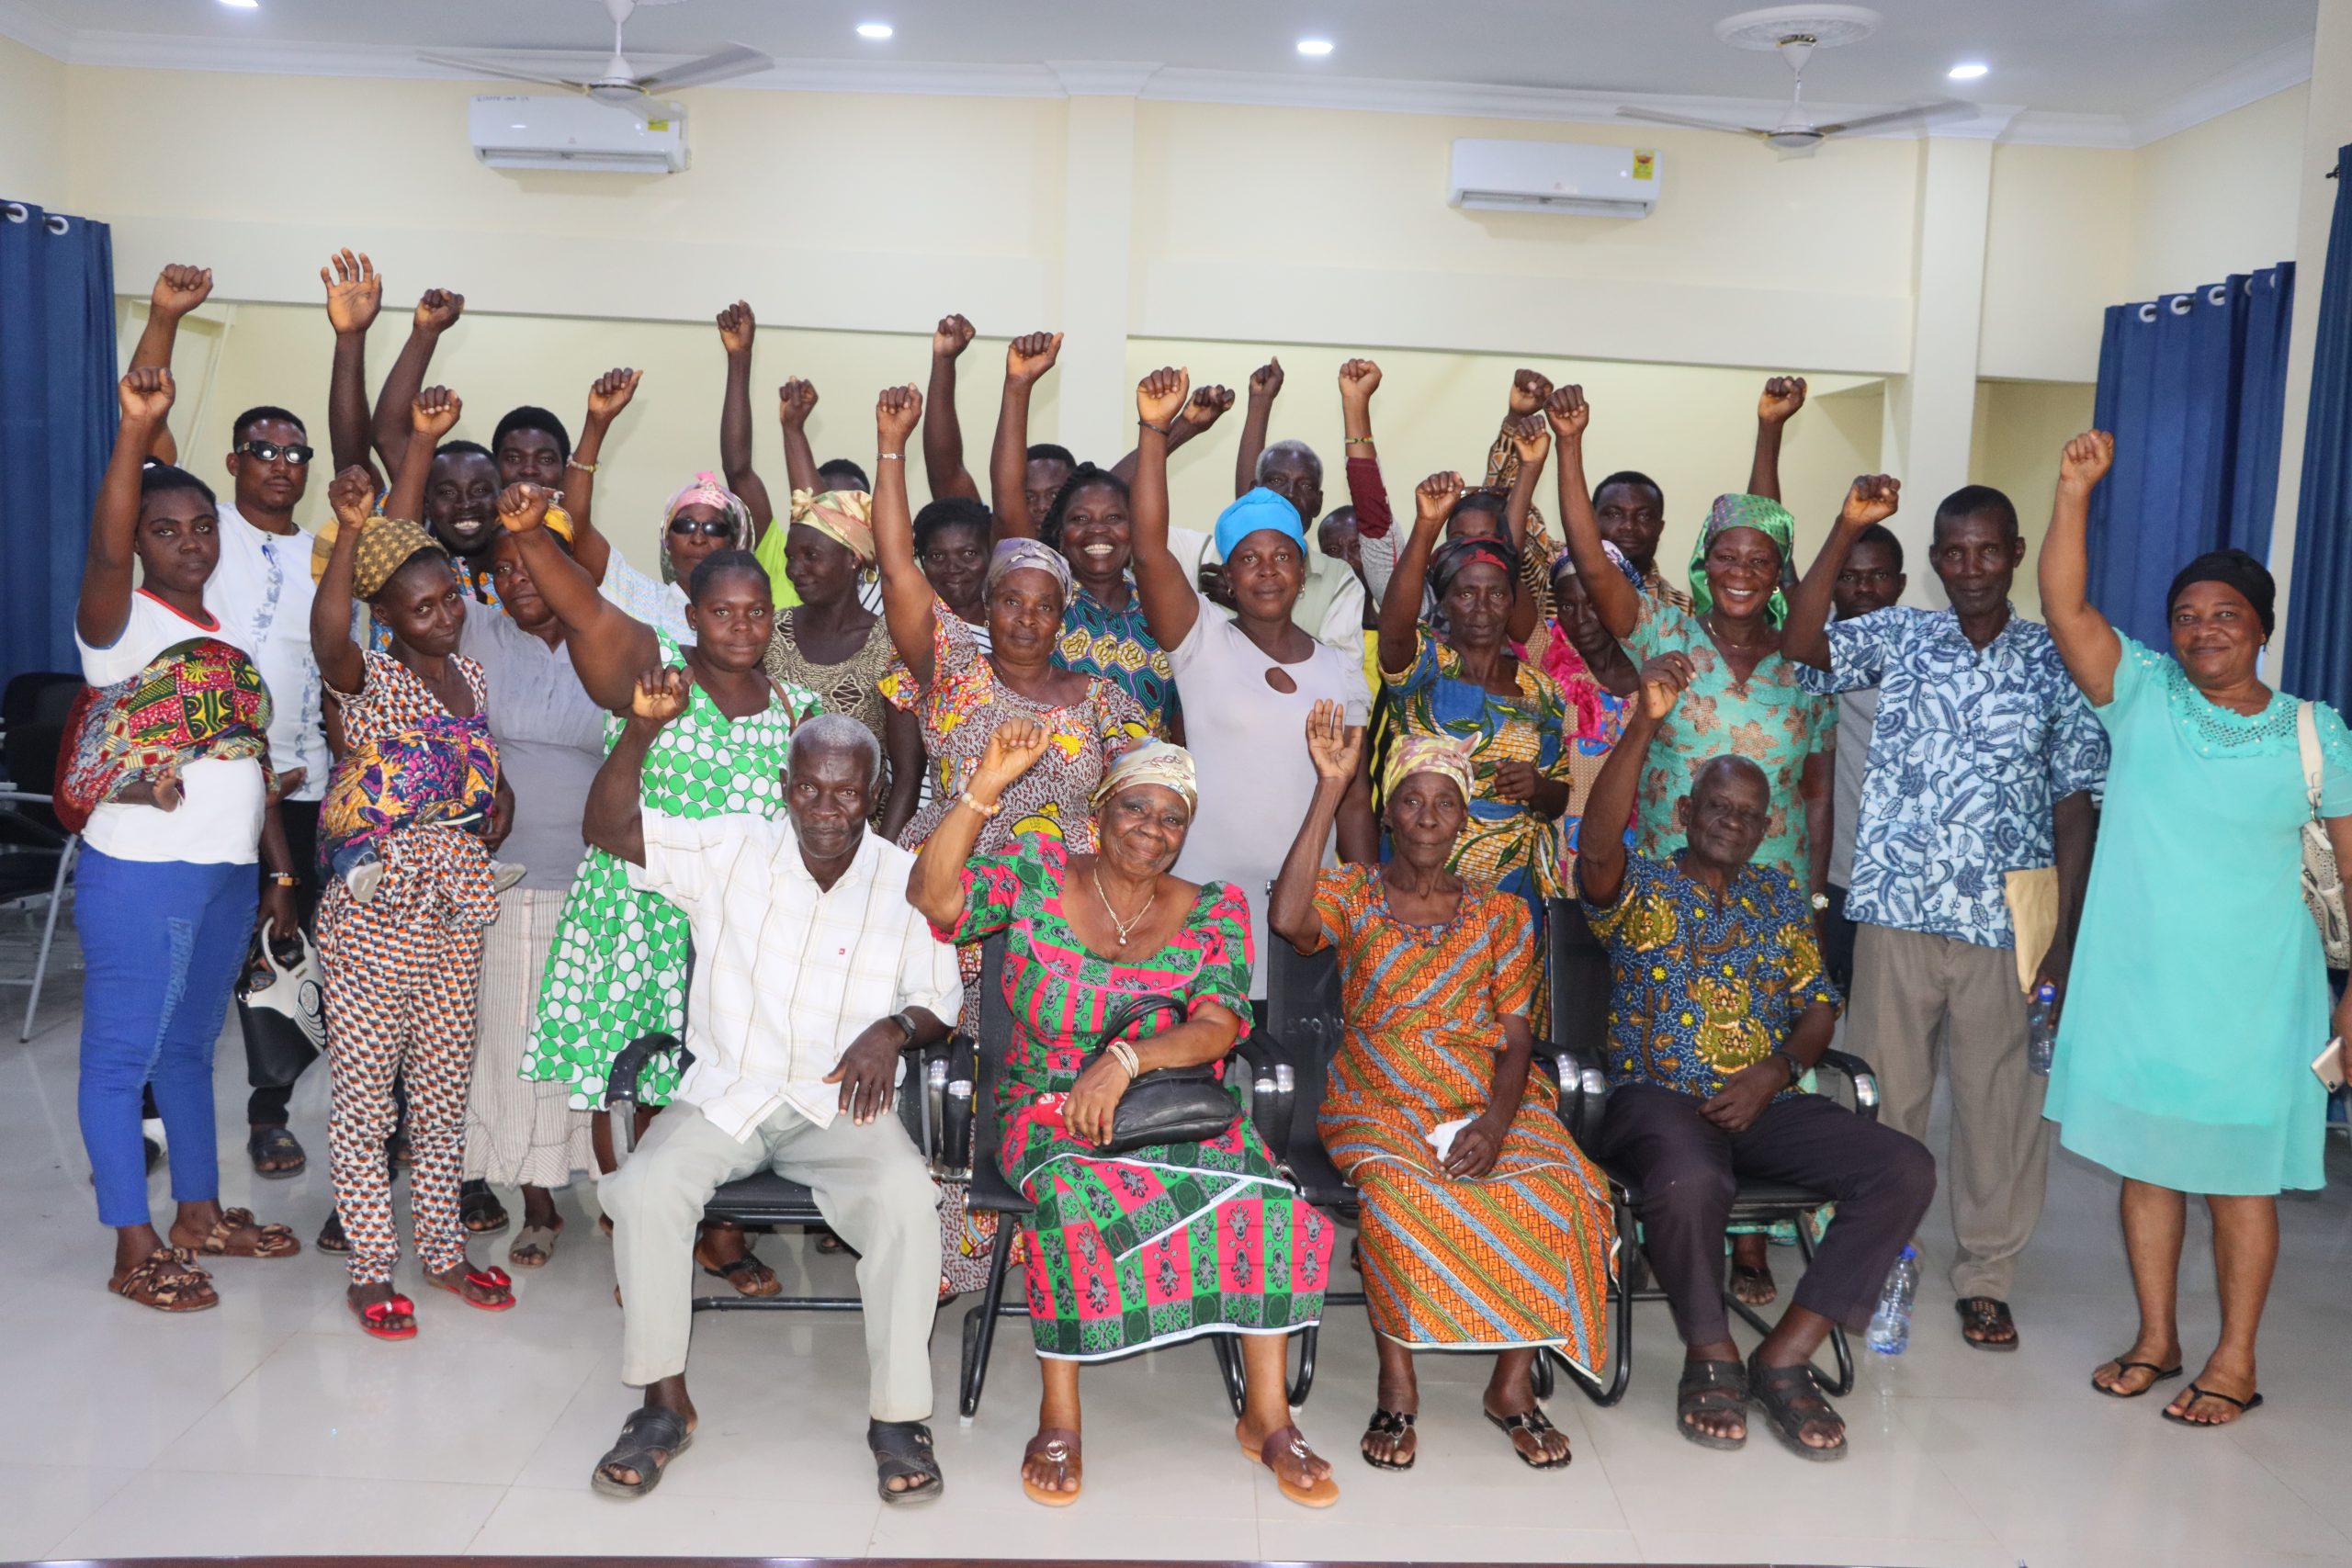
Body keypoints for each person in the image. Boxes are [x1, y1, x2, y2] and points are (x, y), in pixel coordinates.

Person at [908, 721, 1340, 1509]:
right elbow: (934, 897)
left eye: (1172, 817)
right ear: (1099, 813)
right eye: (1135, 809)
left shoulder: (1214, 908)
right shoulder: (1038, 874)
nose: (1153, 829)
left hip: (1174, 1101)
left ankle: (1269, 1418)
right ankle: (1060, 1417)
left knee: (1267, 1201)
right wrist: (986, 786)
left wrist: (1127, 1059)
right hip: (1044, 1103)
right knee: (1075, 1198)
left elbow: (1216, 1026)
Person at [2038, 430, 2352, 1427]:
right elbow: (2063, 605)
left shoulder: (2316, 729)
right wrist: (2073, 491)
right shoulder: (2142, 695)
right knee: (2148, 1165)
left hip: (2260, 995)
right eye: (2185, 616)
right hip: (2142, 988)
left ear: (2260, 627)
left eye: (2224, 615)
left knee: (2239, 1183)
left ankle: (2236, 1359)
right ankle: (2156, 1337)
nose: (2202, 630)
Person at [587, 686, 960, 1502]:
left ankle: (898, 1417)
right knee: (646, 1190)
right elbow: (608, 828)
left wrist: (895, 1028)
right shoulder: (730, 849)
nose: (829, 809)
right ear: (786, 784)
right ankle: (663, 1402)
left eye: (849, 792)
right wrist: (643, 730)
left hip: (841, 1104)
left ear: (874, 790)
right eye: (811, 788)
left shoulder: (906, 879)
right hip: (731, 1089)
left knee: (906, 1199)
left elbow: (943, 998)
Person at [1577, 651, 1936, 1460]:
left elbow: (1816, 1003)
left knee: (1905, 1167)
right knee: (1690, 1175)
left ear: (1768, 826)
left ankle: (1785, 1355)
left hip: (1764, 1097)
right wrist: (1645, 724)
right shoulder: (1641, 885)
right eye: (1717, 807)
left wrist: (1775, 1070)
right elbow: (1596, 848)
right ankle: (1711, 1352)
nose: (1731, 822)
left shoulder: (1778, 896)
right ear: (1684, 807)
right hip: (1656, 1100)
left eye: (1748, 813)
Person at [1784, 483, 2106, 1354]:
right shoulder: (1901, 635)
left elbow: (2077, 805)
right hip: (1896, 905)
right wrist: (1847, 524)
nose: (1971, 568)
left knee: (2001, 1108)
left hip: (2013, 921)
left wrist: (2064, 942)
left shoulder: (2056, 660)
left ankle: (1987, 1276)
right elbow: (1800, 638)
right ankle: (1878, 1254)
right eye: (1954, 552)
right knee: (1885, 1097)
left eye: (1989, 551)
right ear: (1932, 560)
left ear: (2017, 551)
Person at [1270, 709, 1614, 1473]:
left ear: (1464, 816)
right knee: (1397, 1194)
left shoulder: (1501, 913)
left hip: (1487, 1094)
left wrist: (1495, 1123)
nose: (1428, 817)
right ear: (1389, 810)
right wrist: (1330, 789)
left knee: (1560, 1188)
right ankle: (1399, 1387)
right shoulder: (1354, 892)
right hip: (1375, 1098)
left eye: (1445, 802)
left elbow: (1518, 1037)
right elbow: (1288, 917)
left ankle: (1512, 1389)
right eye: (1412, 800)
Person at [503, 479, 821, 1293]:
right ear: (691, 617)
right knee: (632, 1086)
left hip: (732, 935)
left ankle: (714, 1235)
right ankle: (646, 1238)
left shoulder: (797, 705)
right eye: (723, 612)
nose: (742, 625)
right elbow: (583, 612)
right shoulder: (655, 674)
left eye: (757, 611)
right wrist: (535, 536)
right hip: (636, 915)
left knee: (716, 1093)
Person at [69, 367, 303, 1313]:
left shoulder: (222, 636)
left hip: (219, 876)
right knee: (123, 1056)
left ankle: (200, 1214)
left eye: (201, 527)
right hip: (141, 873)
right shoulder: (118, 624)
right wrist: (136, 432)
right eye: (163, 530)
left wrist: (276, 869)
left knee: (191, 1046)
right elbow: (103, 545)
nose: (189, 544)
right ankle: (133, 1243)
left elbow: (249, 763)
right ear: (135, 540)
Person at [311, 453, 519, 1339]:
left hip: (454, 909)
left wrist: (495, 799)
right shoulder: (368, 682)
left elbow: (472, 772)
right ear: (385, 616)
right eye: (422, 606)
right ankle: (368, 1267)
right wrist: (351, 532)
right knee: (366, 1097)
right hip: (375, 909)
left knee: (440, 1090)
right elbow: (326, 640)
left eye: (450, 599)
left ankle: (438, 1250)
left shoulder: (469, 680)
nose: (443, 616)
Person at [1126, 367, 1378, 1003]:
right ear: (1229, 575)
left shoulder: (1341, 669)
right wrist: (1155, 431)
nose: (1267, 572)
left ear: (1303, 569)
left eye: (1282, 557)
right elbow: (1150, 549)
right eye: (1249, 559)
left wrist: (1369, 909)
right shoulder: (1201, 639)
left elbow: (1352, 802)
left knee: (1290, 1083)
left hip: (1302, 917)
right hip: (1199, 905)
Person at [1548, 386, 1838, 892]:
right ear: (1705, 564)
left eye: (1759, 562)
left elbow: (1817, 796)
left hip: (1776, 897)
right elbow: (1594, 568)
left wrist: (1813, 904)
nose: (1740, 573)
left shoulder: (1806, 662)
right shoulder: (1663, 632)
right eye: (1726, 558)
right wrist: (1569, 446)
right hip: (1670, 892)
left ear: (1778, 574)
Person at [450, 520, 608, 1264]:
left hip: (604, 881)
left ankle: (612, 1189)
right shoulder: (477, 634)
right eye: (502, 569)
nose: (515, 581)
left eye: (530, 565)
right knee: (516, 1040)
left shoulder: (604, 636)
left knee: (596, 1046)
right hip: (509, 877)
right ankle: (537, 1204)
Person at [1378, 469, 1576, 940]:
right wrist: (1427, 526)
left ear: (1513, 604)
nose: (1482, 608)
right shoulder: (1425, 669)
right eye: (1466, 593)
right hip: (1422, 881)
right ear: (1444, 603)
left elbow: (1562, 797)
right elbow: (1393, 630)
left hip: (1514, 890)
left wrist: (1536, 787)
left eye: (1496, 594)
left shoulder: (1542, 690)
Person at [989, 332, 1180, 737]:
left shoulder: (1161, 603)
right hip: (1054, 793)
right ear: (1058, 532)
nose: (1097, 529)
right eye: (1080, 519)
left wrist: (1157, 427)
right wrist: (1017, 387)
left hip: (1143, 793)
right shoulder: (1045, 597)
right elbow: (1008, 504)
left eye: (1114, 517)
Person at [759, 486, 925, 839]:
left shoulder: (891, 646)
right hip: (768, 833)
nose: (794, 569)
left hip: (854, 842)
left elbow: (908, 775)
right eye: (791, 556)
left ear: (854, 558)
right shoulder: (770, 631)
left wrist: (879, 861)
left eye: (811, 555)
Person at [1812, 522, 1906, 994]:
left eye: (1879, 576)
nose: (1864, 589)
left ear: (1902, 584)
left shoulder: (1919, 657)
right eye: (1848, 577)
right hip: (1826, 875)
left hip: (1894, 885)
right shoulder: (1809, 651)